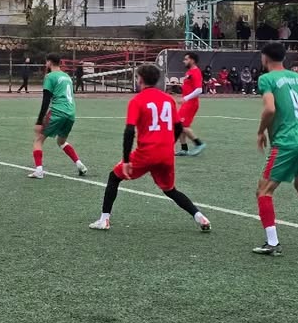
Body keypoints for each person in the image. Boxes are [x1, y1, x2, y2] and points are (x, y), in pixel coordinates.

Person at [90, 64, 211, 232]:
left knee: (114, 177)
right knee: (170, 190)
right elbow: (178, 127)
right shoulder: (168, 99)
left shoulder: (137, 100)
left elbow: (129, 131)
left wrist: (126, 160)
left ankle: (104, 220)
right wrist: (170, 145)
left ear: (140, 79)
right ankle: (200, 217)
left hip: (146, 154)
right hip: (166, 154)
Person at [253, 42, 298, 256]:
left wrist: (261, 132)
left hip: (287, 142)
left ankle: (273, 242)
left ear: (265, 58)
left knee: (263, 190)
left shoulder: (267, 79)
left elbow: (269, 108)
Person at [28, 53, 88, 179]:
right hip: (71, 113)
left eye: (46, 62)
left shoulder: (50, 76)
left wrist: (39, 121)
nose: (46, 65)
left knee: (38, 139)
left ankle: (39, 171)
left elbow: (46, 100)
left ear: (49, 62)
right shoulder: (67, 76)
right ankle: (79, 164)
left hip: (57, 112)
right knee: (61, 141)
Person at [175, 52, 207, 157]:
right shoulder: (189, 72)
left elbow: (199, 90)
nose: (184, 61)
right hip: (187, 103)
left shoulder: (196, 72)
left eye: (186, 59)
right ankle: (184, 149)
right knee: (179, 125)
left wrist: (185, 98)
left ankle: (199, 143)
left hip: (191, 104)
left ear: (192, 60)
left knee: (181, 126)